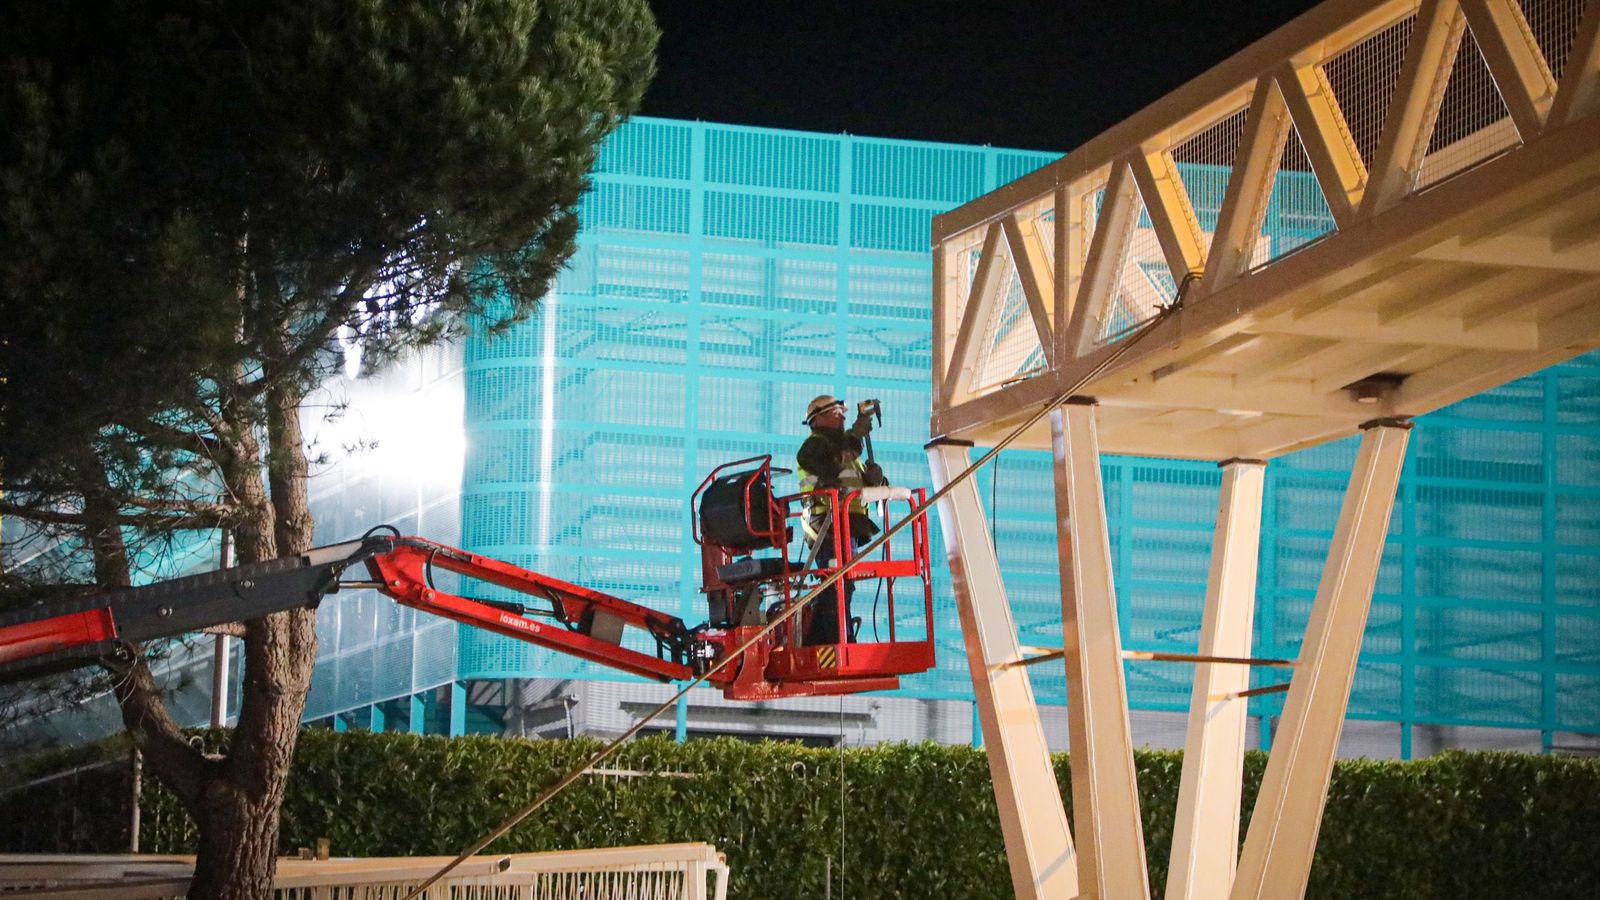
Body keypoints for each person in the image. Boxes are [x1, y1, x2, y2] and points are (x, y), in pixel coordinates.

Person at [796, 394, 880, 645]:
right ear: (817, 419)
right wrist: (855, 435)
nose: (842, 416)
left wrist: (876, 480)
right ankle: (837, 640)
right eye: (835, 413)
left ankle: (824, 639)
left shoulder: (845, 451)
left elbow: (853, 484)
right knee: (836, 585)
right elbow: (831, 466)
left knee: (843, 584)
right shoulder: (813, 446)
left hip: (846, 524)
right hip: (826, 525)